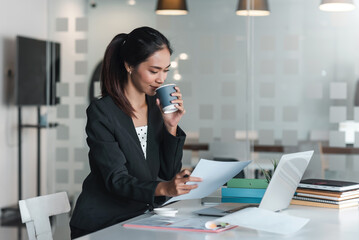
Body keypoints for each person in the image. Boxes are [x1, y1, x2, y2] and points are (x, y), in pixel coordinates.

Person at [69, 26, 201, 239]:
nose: (161, 79)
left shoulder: (157, 108)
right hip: (103, 223)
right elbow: (116, 179)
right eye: (154, 70)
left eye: (166, 70)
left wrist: (171, 126)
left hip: (139, 218)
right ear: (129, 66)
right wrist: (165, 188)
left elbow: (167, 174)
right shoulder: (103, 112)